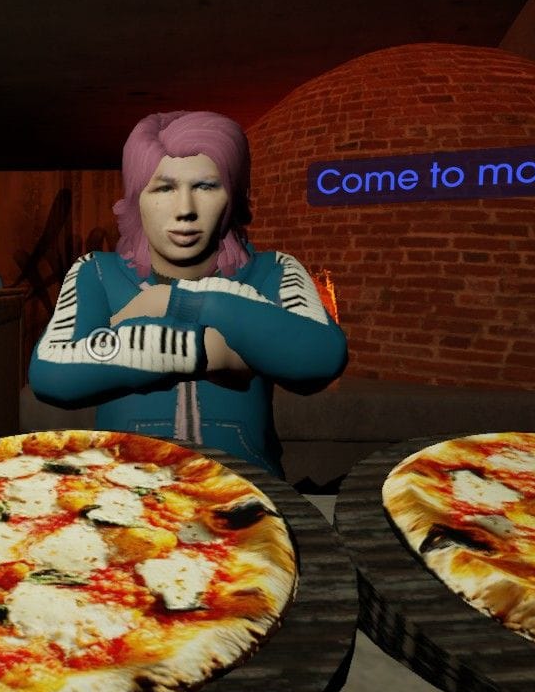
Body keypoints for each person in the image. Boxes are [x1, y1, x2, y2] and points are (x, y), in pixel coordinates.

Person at [28, 110, 348, 477]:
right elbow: (52, 374)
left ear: (234, 195)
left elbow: (320, 357)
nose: (185, 211)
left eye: (206, 187)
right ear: (136, 198)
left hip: (247, 489)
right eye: (164, 188)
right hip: (123, 493)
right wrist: (209, 352)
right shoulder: (96, 272)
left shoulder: (274, 270)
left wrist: (179, 301)